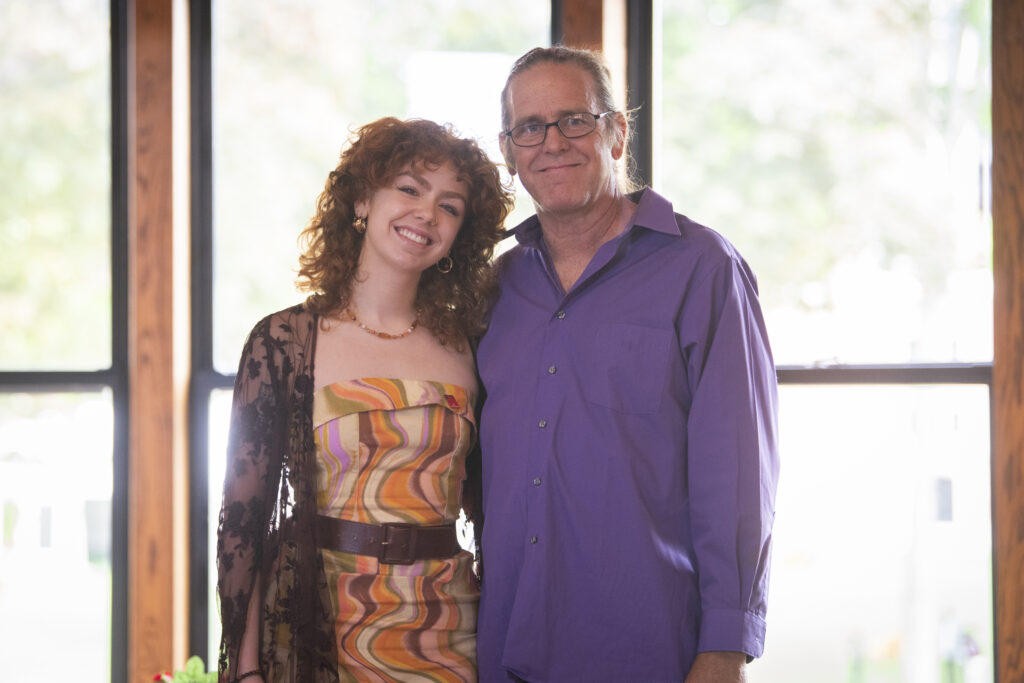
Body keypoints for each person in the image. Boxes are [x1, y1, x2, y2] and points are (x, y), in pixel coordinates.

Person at [475, 46, 780, 683]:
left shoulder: (703, 270)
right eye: (530, 127)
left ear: (617, 132)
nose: (551, 142)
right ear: (509, 152)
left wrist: (726, 645)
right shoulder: (493, 291)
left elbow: (739, 473)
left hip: (648, 650)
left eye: (574, 120)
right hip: (503, 647)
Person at [216, 117, 513, 683]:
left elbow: (491, 501)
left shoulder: (471, 346)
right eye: (409, 189)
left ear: (458, 236)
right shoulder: (283, 342)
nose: (427, 213)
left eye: (450, 206)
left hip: (448, 628)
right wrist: (249, 668)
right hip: (318, 628)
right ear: (361, 200)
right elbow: (244, 523)